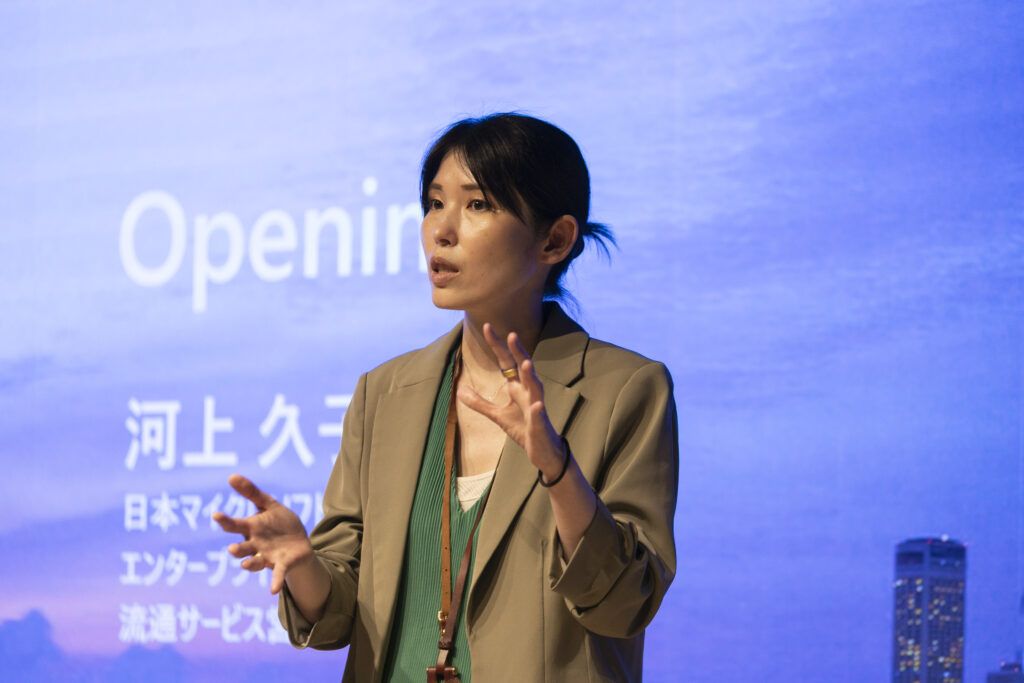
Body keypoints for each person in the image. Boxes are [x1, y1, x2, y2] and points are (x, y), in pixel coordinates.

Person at [215, 113, 678, 682]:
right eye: (434, 203)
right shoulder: (384, 394)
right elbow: (336, 616)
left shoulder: (624, 390)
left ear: (554, 239)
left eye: (478, 204)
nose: (442, 229)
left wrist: (558, 471)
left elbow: (626, 603)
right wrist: (305, 565)